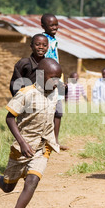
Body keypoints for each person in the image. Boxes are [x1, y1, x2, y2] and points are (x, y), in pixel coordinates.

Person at [0, 58, 62, 208]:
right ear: (40, 76)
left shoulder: (55, 93)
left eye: (59, 79)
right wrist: (22, 142)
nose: (56, 83)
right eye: (53, 78)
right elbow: (10, 118)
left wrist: (54, 139)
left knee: (32, 182)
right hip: (23, 147)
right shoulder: (26, 93)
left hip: (42, 147)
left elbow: (56, 115)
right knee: (8, 187)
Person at [41, 13, 68, 150]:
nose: (55, 27)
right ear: (43, 26)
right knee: (47, 110)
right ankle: (45, 140)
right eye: (51, 25)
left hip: (57, 77)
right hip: (48, 78)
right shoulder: (43, 40)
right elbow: (44, 61)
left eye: (56, 24)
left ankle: (55, 141)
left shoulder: (53, 39)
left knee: (58, 111)